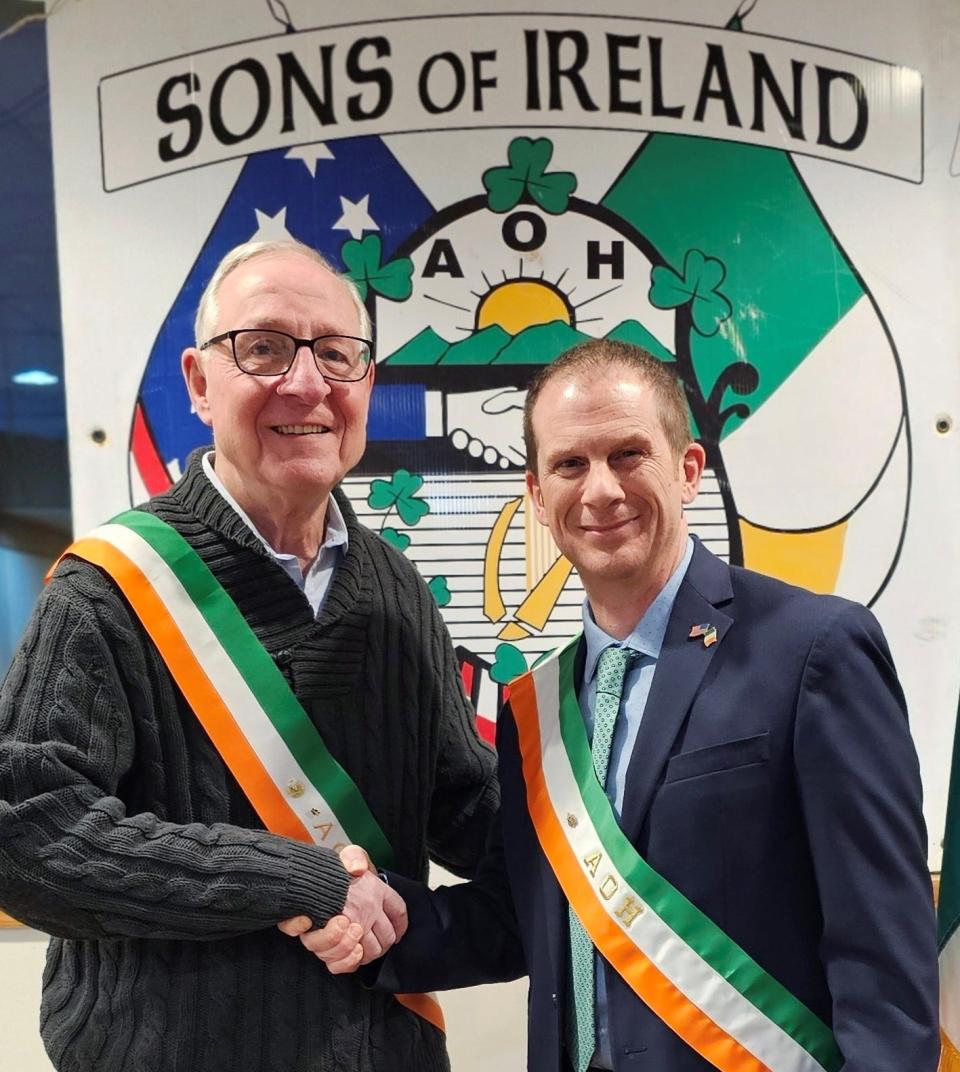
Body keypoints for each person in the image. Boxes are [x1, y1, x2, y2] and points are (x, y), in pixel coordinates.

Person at [288, 340, 940, 1071]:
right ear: (537, 496)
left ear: (688, 469)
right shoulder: (534, 706)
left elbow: (883, 956)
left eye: (628, 454)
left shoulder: (813, 650)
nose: (600, 490)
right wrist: (382, 920)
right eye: (570, 464)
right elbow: (524, 920)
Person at [0, 238, 498, 1072]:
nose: (307, 384)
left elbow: (458, 801)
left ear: (365, 384)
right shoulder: (106, 591)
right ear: (199, 382)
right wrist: (292, 879)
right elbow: (24, 832)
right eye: (263, 348)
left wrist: (623, 848)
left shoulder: (395, 586)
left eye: (337, 355)